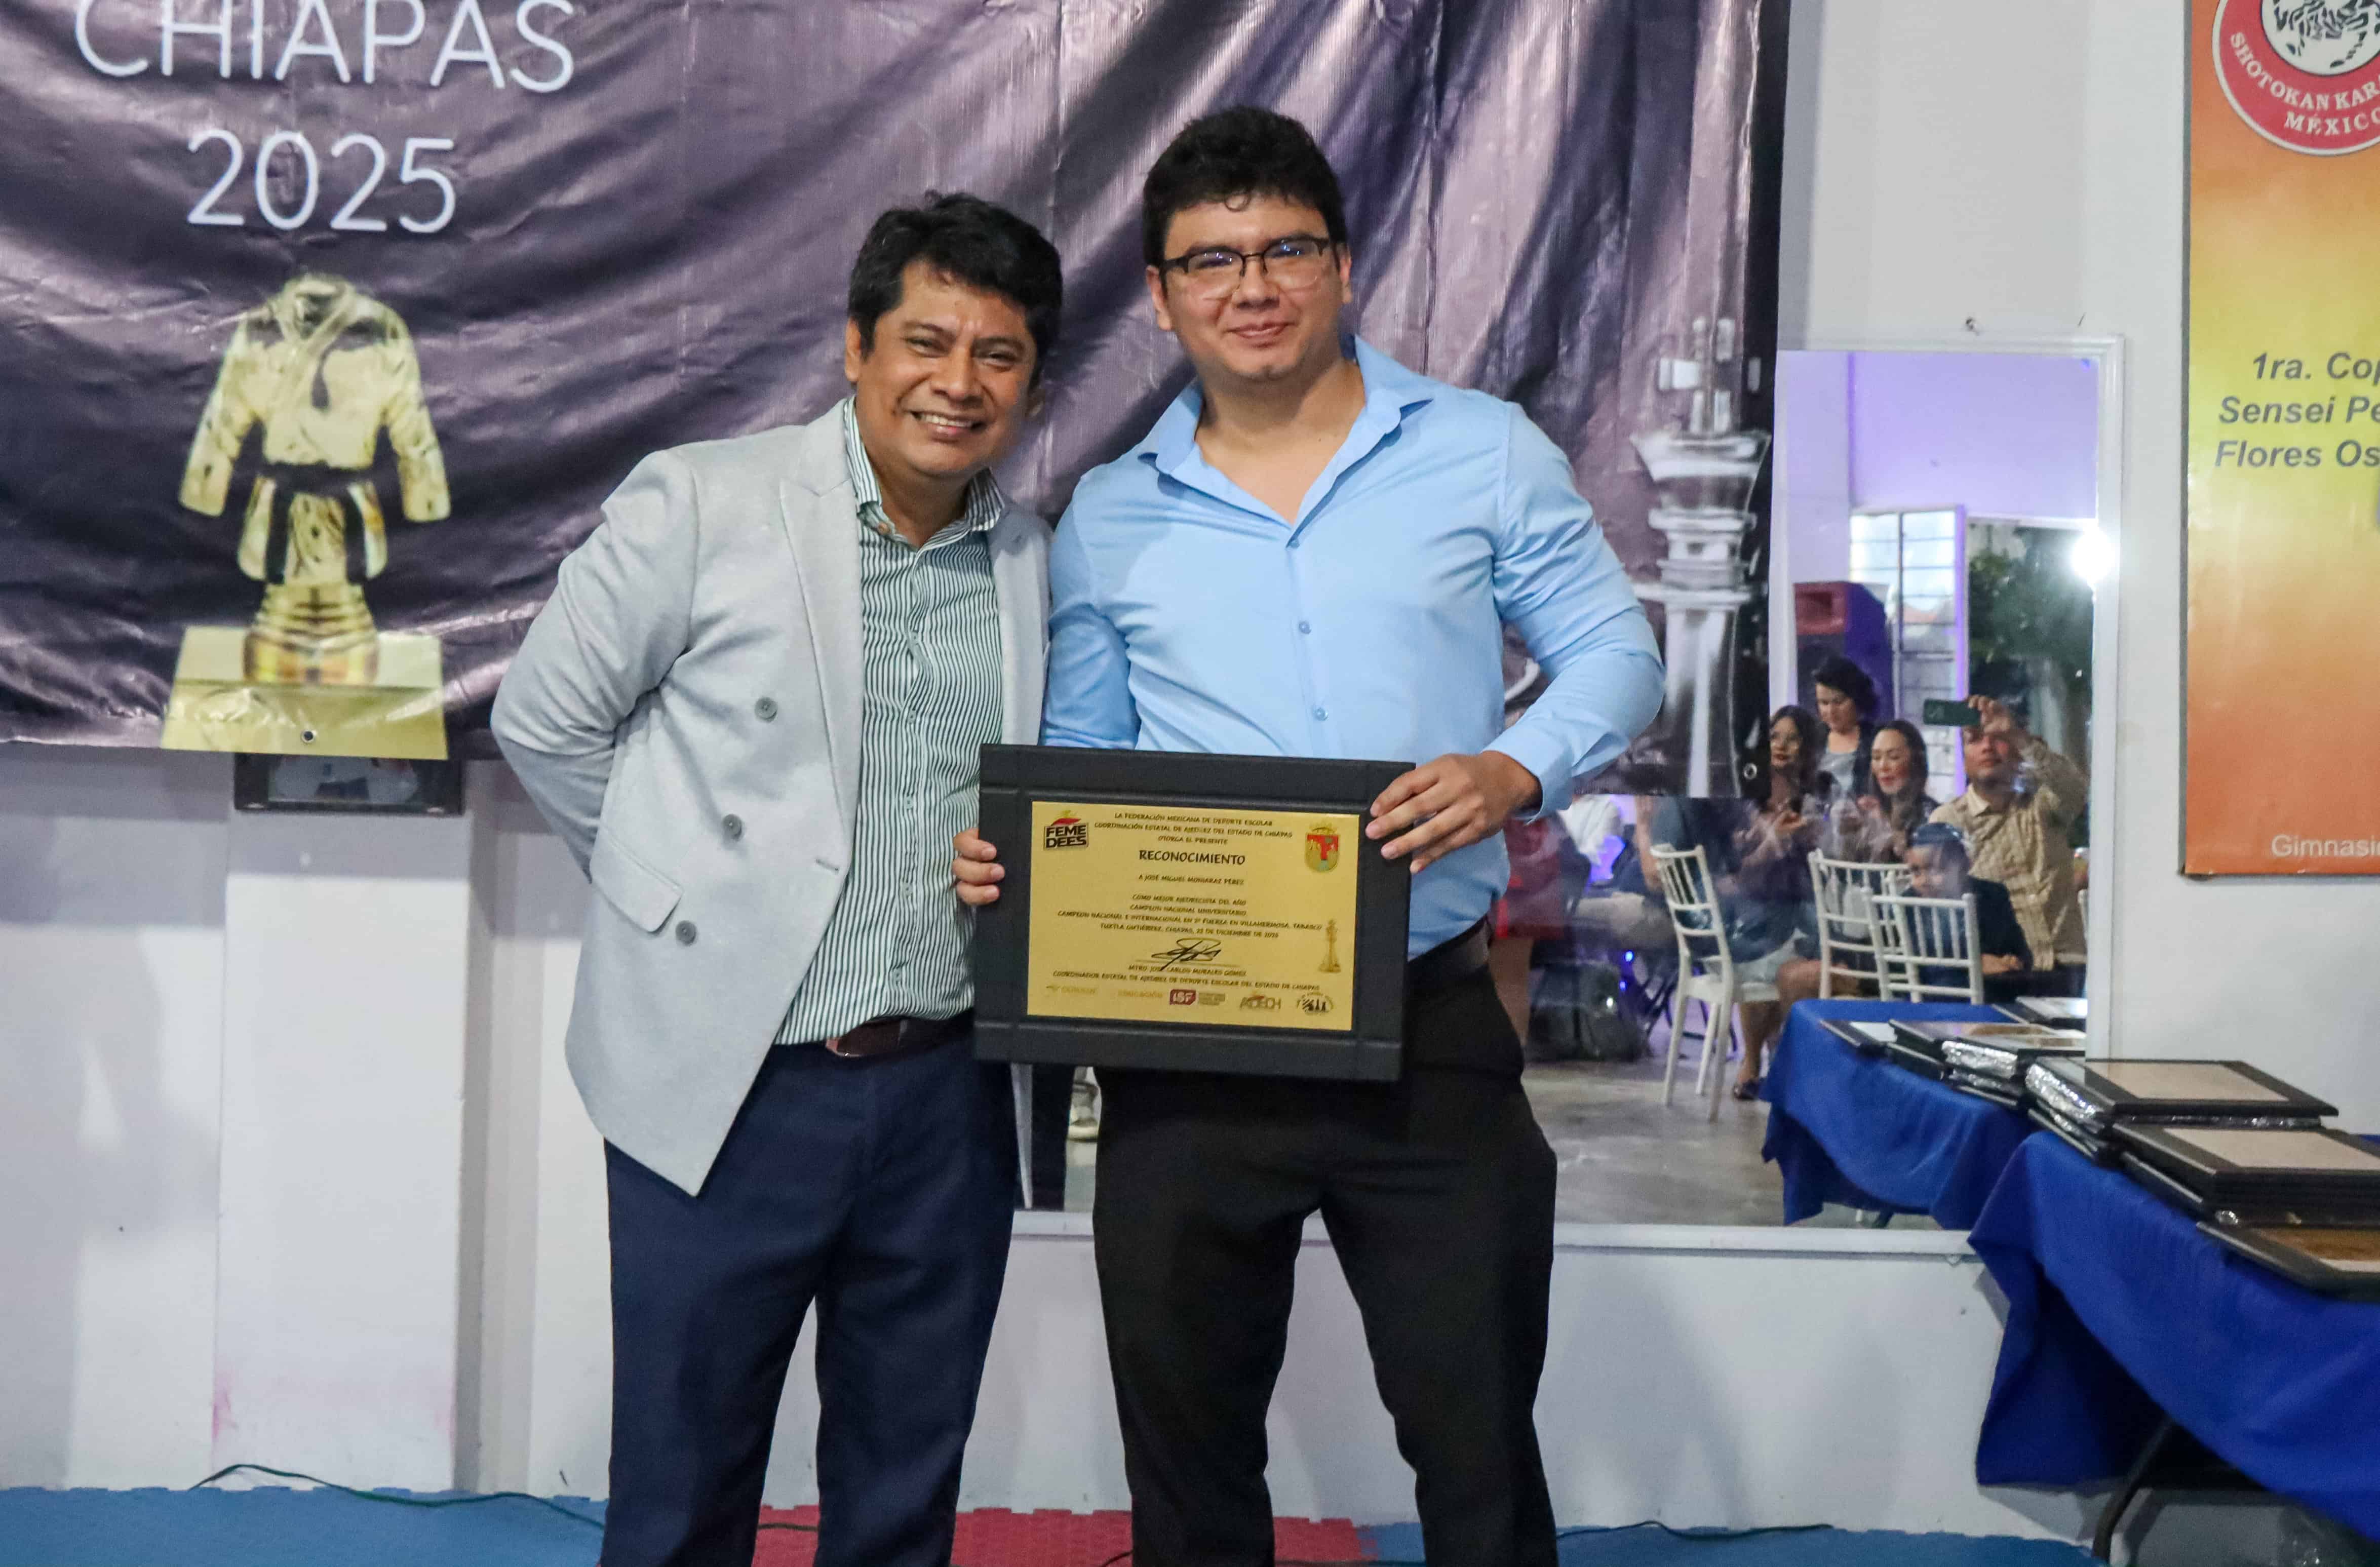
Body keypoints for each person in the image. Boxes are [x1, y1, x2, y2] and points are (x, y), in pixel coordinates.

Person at [955, 107, 1661, 1567]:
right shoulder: (1111, 514)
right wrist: (1029, 864)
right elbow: (1087, 762)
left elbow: (1615, 653)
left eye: (1284, 248)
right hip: (1187, 1053)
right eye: (1209, 261)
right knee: (1187, 1458)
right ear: (1162, 297)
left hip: (1428, 1029)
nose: (1252, 285)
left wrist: (1510, 769)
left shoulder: (1478, 451)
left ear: (1341, 265)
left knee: (1477, 1442)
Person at [491, 194, 1062, 1567]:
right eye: (927, 341)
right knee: (684, 1484)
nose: (959, 381)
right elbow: (544, 722)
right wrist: (682, 902)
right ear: (857, 347)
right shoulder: (702, 501)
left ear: (1032, 383)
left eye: (998, 354)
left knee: (905, 1481)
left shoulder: (1031, 556)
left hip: (948, 1091)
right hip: (733, 1079)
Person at [1930, 694, 2087, 988]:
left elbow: (2076, 789)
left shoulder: (2043, 806)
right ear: (1963, 759)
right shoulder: (1949, 821)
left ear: (2016, 752)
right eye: (1975, 739)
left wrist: (2016, 734)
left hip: (2069, 965)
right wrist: (1973, 957)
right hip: (2003, 974)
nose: (1988, 746)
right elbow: (1935, 909)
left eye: (1998, 739)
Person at [1724, 706, 1825, 1098]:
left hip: (1805, 908)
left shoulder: (1818, 796)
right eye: (1774, 737)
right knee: (1766, 940)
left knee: (1796, 942)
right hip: (1753, 912)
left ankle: (1771, 1060)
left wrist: (1811, 838)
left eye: (1792, 738)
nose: (1781, 746)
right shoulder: (1745, 799)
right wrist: (1769, 842)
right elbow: (1735, 874)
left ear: (1807, 748)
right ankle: (1753, 1062)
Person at [1901, 821, 2032, 1001]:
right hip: (1935, 997)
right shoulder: (1909, 904)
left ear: (1965, 865)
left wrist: (2013, 960)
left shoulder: (1993, 895)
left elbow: (2018, 946)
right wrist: (1975, 963)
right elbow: (1918, 959)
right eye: (1916, 872)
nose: (1924, 881)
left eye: (1936, 869)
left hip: (1995, 991)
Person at [1822, 717, 1931, 864]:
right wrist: (1844, 836)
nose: (1883, 766)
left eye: (1894, 757)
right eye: (1876, 757)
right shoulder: (1865, 812)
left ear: (1916, 761)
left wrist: (1898, 841)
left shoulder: (1931, 817)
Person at [1808, 653, 1879, 803]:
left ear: (1858, 699)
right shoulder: (1811, 739)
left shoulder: (1877, 740)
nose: (1831, 711)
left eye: (1839, 702)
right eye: (1824, 703)